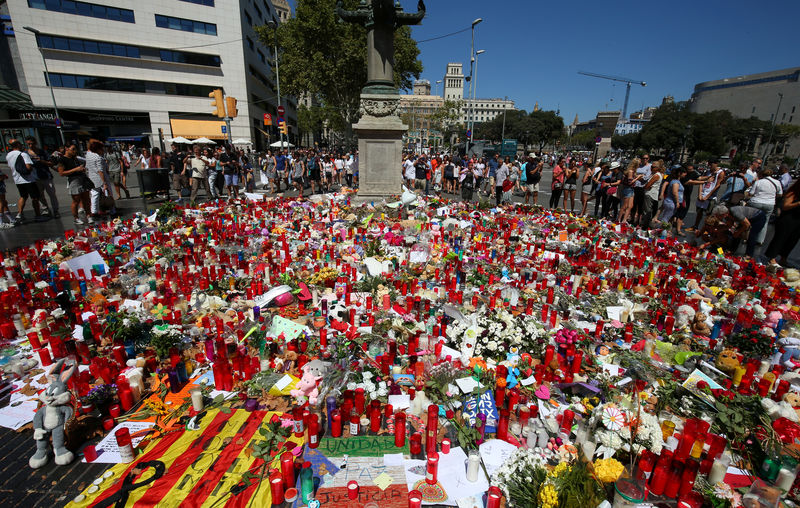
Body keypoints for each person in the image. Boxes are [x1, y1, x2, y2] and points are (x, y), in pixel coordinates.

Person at [697, 205, 766, 258]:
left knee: (752, 235)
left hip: (758, 217)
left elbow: (747, 224)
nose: (716, 217)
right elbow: (729, 226)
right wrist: (700, 233)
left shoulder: (734, 213)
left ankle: (748, 255)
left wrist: (737, 232)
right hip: (746, 220)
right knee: (736, 234)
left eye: (717, 216)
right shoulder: (726, 216)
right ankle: (731, 250)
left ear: (722, 214)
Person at [5, 139, 46, 223]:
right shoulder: (23, 154)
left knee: (23, 196)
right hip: (28, 180)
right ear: (17, 145)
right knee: (35, 198)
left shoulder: (8, 155)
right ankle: (38, 215)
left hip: (17, 180)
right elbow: (28, 167)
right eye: (20, 143)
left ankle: (20, 214)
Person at [765, 178, 800, 266]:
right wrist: (798, 203)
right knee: (780, 238)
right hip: (788, 219)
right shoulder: (793, 192)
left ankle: (784, 258)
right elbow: (785, 206)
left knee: (792, 240)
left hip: (798, 220)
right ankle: (772, 257)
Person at [745, 168, 782, 245]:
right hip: (769, 204)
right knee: (765, 221)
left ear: (762, 174)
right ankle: (760, 240)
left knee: (751, 220)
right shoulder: (777, 182)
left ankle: (747, 237)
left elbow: (751, 193)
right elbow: (780, 194)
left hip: (756, 202)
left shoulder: (759, 182)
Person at [57, 143, 92, 225]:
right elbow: (61, 173)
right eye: (73, 149)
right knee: (76, 200)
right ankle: (76, 218)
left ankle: (89, 216)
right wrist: (75, 169)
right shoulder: (62, 159)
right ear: (67, 148)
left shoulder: (75, 158)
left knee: (86, 199)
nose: (74, 151)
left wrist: (81, 169)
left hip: (82, 178)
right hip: (74, 180)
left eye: (75, 149)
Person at [26, 137, 59, 218]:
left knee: (52, 194)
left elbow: (50, 163)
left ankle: (56, 210)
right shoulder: (26, 154)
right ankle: (45, 210)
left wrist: (41, 161)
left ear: (35, 143)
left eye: (32, 143)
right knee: (40, 196)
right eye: (28, 144)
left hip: (46, 176)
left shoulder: (42, 152)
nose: (30, 145)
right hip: (35, 177)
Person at [690, 161, 725, 231]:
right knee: (699, 212)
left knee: (709, 214)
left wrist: (708, 196)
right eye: (709, 165)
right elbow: (701, 182)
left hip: (710, 196)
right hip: (703, 194)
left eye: (711, 165)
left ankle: (706, 229)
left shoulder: (720, 173)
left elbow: (717, 185)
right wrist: (699, 194)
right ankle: (695, 226)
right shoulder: (707, 172)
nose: (709, 166)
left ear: (716, 164)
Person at [85, 139, 113, 219]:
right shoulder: (98, 158)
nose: (103, 150)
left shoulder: (88, 155)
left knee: (94, 195)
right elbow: (100, 171)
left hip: (92, 178)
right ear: (98, 149)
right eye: (102, 149)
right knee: (107, 193)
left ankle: (94, 211)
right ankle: (112, 209)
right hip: (101, 178)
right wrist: (104, 183)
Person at [639, 160, 664, 230]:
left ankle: (645, 226)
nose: (651, 168)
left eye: (653, 167)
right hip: (652, 194)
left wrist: (646, 186)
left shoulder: (656, 175)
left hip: (650, 194)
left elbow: (648, 185)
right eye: (651, 167)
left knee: (647, 211)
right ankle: (646, 225)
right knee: (648, 210)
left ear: (657, 168)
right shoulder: (656, 174)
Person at [617, 159, 642, 224]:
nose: (640, 165)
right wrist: (637, 178)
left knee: (630, 206)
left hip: (631, 189)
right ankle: (619, 219)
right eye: (639, 164)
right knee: (624, 206)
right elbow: (630, 182)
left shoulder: (633, 171)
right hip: (627, 189)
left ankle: (624, 220)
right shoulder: (630, 171)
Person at [632, 154, 652, 225]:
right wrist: (640, 176)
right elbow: (634, 174)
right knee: (634, 204)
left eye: (646, 158)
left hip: (642, 187)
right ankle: (632, 219)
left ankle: (638, 221)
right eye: (643, 158)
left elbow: (646, 178)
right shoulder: (639, 166)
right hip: (635, 186)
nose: (645, 159)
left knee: (640, 205)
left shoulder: (649, 166)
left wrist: (638, 177)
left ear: (648, 159)